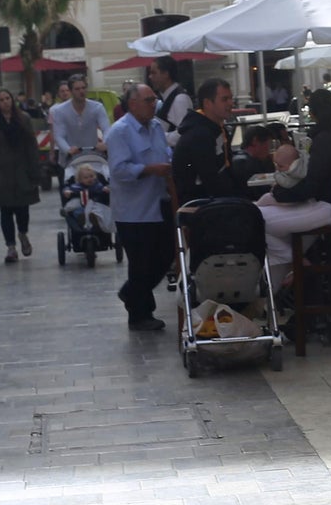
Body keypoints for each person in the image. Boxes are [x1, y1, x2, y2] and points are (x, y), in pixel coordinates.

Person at [254, 87, 331, 288]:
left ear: (312, 113)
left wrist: (279, 194)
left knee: (254, 218)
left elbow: (311, 186)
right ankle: (275, 296)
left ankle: (297, 265)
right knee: (269, 219)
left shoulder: (325, 138)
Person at [107, 83, 176, 331]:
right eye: (148, 100)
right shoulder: (120, 132)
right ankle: (140, 314)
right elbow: (118, 170)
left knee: (166, 254)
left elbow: (164, 152)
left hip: (158, 204)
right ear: (133, 103)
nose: (153, 104)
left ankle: (131, 292)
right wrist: (148, 170)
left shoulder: (156, 126)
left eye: (154, 99)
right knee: (141, 262)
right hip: (133, 210)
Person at [0, 89, 43, 263]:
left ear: (12, 100)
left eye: (8, 98)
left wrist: (35, 172)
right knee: (5, 211)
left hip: (22, 172)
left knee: (23, 209)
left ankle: (23, 234)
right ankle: (10, 247)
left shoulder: (23, 119)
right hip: (1, 174)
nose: (5, 102)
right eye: (1, 100)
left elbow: (31, 146)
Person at [172, 77, 243, 205]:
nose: (230, 103)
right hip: (200, 207)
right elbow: (210, 180)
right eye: (224, 99)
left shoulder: (218, 130)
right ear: (207, 103)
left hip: (217, 201)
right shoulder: (199, 135)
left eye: (231, 98)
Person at [49, 73, 111, 167]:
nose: (81, 91)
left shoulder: (97, 107)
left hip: (93, 156)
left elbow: (106, 128)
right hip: (71, 159)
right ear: (71, 91)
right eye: (77, 89)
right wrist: (68, 149)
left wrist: (105, 143)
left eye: (83, 88)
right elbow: (59, 135)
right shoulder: (59, 111)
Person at [147, 55, 191, 148]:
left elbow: (184, 134)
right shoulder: (165, 97)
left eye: (154, 73)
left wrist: (156, 136)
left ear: (166, 74)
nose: (150, 77)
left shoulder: (180, 99)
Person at [62, 160, 112, 235]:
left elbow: (103, 188)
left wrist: (106, 189)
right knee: (76, 210)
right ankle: (83, 218)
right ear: (80, 179)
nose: (89, 179)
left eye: (91, 176)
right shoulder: (76, 187)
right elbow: (68, 189)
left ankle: (92, 218)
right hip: (82, 207)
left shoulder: (98, 186)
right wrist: (67, 191)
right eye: (86, 177)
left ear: (95, 176)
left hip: (95, 206)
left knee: (100, 210)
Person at [230, 124, 276, 199]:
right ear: (255, 141)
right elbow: (263, 192)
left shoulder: (240, 158)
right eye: (268, 144)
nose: (269, 149)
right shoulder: (246, 164)